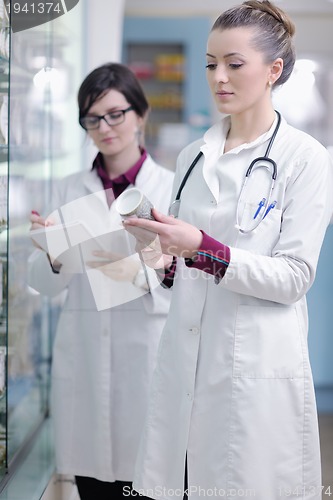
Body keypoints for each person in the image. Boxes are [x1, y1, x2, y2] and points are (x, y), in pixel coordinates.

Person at [122, 2, 333, 499]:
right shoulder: (193, 155)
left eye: (234, 64)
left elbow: (294, 277)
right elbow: (181, 268)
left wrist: (202, 249)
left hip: (254, 367)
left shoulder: (304, 158)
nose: (219, 76)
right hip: (187, 364)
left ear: (273, 69)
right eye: (211, 63)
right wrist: (161, 254)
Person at [27, 62, 174, 500]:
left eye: (115, 114)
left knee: (146, 479)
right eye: (92, 119)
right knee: (92, 486)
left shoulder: (168, 189)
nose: (104, 127)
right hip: (86, 354)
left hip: (146, 353)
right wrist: (53, 254)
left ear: (140, 114)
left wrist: (135, 267)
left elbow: (177, 276)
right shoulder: (67, 189)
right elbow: (44, 283)